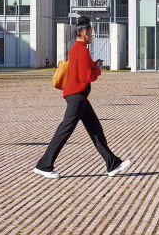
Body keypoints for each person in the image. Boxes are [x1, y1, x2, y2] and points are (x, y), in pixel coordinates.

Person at [34, 16, 131, 180]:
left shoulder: (75, 48)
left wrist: (94, 65)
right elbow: (86, 76)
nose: (92, 37)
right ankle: (44, 165)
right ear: (85, 33)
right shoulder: (83, 49)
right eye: (91, 34)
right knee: (64, 130)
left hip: (78, 96)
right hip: (77, 96)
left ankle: (113, 163)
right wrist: (98, 70)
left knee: (95, 130)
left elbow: (81, 69)